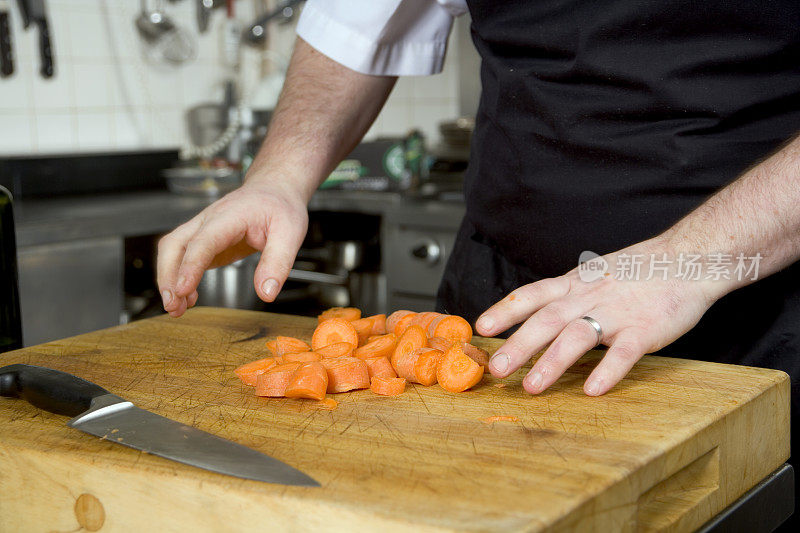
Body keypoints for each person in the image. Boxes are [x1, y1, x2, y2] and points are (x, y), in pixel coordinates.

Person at [158, 0, 799, 525]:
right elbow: (356, 22)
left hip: (751, 308)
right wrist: (279, 175)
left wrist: (687, 263)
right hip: (498, 301)